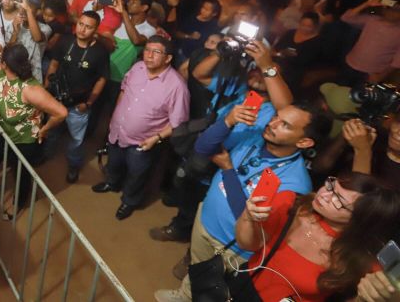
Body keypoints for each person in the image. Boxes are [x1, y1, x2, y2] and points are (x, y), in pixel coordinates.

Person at [153, 102, 328, 302]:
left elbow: (244, 218)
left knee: (214, 290)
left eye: (285, 125)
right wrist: (227, 121)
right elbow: (203, 147)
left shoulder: (294, 183)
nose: (272, 124)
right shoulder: (254, 137)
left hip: (232, 247)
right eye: (276, 117)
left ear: (304, 142)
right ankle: (184, 296)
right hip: (205, 221)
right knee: (198, 269)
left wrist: (228, 169)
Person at [236, 173, 400, 301]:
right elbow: (247, 244)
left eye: (338, 201)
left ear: (358, 220)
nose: (324, 195)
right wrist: (249, 216)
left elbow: (383, 292)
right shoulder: (292, 204)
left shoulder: (359, 257)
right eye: (331, 186)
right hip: (241, 289)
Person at [92, 36, 189, 220]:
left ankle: (129, 201)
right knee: (114, 162)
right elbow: (123, 90)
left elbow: (178, 123)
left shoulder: (177, 87)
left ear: (168, 58)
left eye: (156, 52)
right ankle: (111, 183)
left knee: (137, 174)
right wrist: (115, 117)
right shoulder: (137, 68)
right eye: (147, 50)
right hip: (118, 130)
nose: (149, 55)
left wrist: (156, 138)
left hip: (143, 142)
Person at [0, 44, 67, 216]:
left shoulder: (31, 90)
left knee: (20, 173)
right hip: (1, 131)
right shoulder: (0, 71)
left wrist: (44, 129)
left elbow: (61, 112)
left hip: (23, 140)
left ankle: (19, 202)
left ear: (5, 63)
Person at [44, 11, 109, 183]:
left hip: (79, 104)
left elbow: (102, 79)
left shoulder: (100, 51)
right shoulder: (65, 40)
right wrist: (47, 87)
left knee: (76, 139)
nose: (82, 29)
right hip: (57, 99)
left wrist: (89, 103)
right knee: (52, 130)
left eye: (88, 27)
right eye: (81, 24)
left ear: (95, 30)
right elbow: (54, 63)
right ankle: (46, 155)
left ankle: (73, 165)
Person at [340, 0, 400, 86]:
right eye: (389, 8)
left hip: (371, 73)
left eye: (397, 10)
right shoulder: (372, 20)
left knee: (357, 98)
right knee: (339, 90)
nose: (392, 12)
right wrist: (367, 4)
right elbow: (346, 17)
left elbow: (397, 60)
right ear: (384, 8)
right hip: (350, 63)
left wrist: (381, 76)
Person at [8, 0, 51, 82]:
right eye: (22, 5)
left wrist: (28, 10)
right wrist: (15, 32)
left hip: (33, 77)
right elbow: (8, 50)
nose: (23, 9)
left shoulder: (45, 28)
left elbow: (37, 38)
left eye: (29, 6)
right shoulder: (13, 25)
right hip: (14, 75)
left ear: (38, 11)